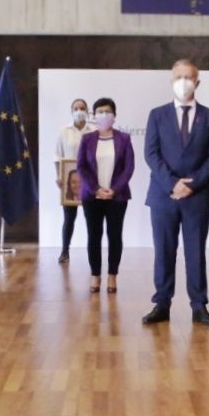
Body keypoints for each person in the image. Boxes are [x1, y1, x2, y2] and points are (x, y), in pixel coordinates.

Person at [143, 59, 209, 326]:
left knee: (195, 252)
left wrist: (192, 184)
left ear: (198, 82)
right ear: (171, 80)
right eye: (179, 77)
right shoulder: (157, 115)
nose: (184, 82)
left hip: (196, 197)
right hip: (163, 196)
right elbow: (151, 154)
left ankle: (199, 305)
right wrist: (172, 184)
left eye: (189, 77)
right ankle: (161, 304)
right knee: (164, 251)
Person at [76, 97, 134, 294]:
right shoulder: (87, 139)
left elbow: (129, 167)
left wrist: (114, 189)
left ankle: (112, 275)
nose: (103, 115)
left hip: (117, 197)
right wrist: (95, 189)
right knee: (94, 235)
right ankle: (95, 275)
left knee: (114, 235)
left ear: (114, 116)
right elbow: (81, 166)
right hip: (92, 196)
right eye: (99, 111)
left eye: (107, 111)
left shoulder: (124, 139)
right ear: (94, 116)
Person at [57, 97, 92, 264]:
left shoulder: (93, 131)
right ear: (72, 112)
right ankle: (65, 251)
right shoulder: (64, 131)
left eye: (82, 107)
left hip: (90, 181)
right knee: (69, 218)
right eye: (76, 108)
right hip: (71, 182)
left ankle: (93, 251)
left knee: (92, 218)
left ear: (87, 111)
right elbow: (58, 156)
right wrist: (60, 177)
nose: (79, 110)